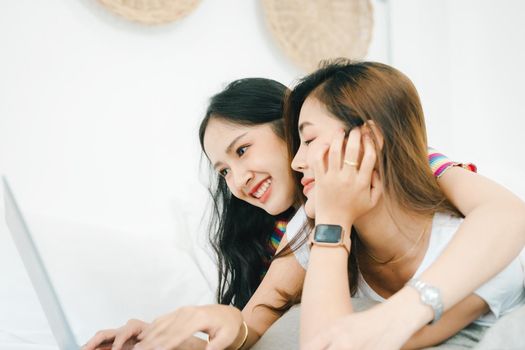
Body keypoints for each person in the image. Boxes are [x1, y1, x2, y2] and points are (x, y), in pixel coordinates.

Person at [82, 77, 525, 350]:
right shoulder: (296, 233)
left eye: (242, 150)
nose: (237, 180)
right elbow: (255, 316)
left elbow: (504, 214)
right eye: (223, 172)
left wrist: (403, 312)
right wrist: (175, 334)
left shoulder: (409, 172)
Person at [285, 59, 525, 349]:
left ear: (369, 138)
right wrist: (332, 219)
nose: (296, 163)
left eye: (309, 139)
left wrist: (333, 218)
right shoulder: (314, 223)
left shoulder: (482, 245)